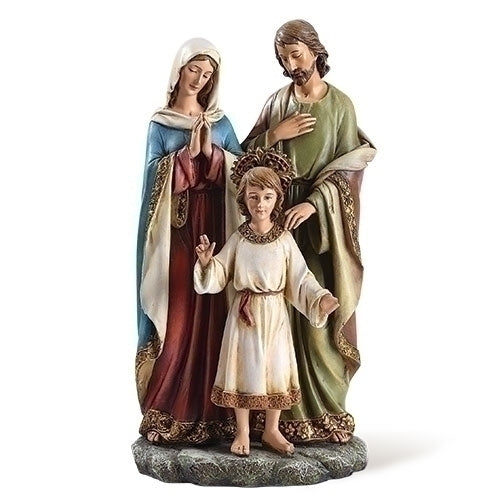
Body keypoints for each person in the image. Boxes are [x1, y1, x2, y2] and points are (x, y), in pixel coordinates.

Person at [241, 20, 377, 443]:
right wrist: (273, 134)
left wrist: (314, 203)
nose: (291, 65)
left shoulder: (340, 106)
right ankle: (273, 421)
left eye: (296, 55)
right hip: (274, 221)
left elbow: (350, 167)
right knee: (274, 319)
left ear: (316, 52)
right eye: (284, 58)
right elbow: (243, 161)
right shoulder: (277, 102)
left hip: (318, 227)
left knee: (317, 316)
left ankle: (324, 410)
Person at [194, 148, 339, 457]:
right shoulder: (239, 238)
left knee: (276, 370)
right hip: (244, 316)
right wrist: (207, 263)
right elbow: (220, 273)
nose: (260, 204)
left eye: (267, 197)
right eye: (254, 197)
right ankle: (243, 431)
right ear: (244, 200)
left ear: (277, 200)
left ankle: (272, 430)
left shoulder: (284, 239)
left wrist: (320, 298)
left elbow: (300, 277)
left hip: (274, 314)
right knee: (243, 370)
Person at [135, 38, 243, 444]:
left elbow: (243, 171)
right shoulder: (161, 124)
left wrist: (213, 155)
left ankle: (220, 414)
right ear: (179, 70)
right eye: (194, 69)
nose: (199, 79)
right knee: (179, 312)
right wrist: (185, 156)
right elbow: (151, 179)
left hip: (216, 227)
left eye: (207, 73)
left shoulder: (221, 122)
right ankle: (169, 408)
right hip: (178, 233)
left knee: (217, 314)